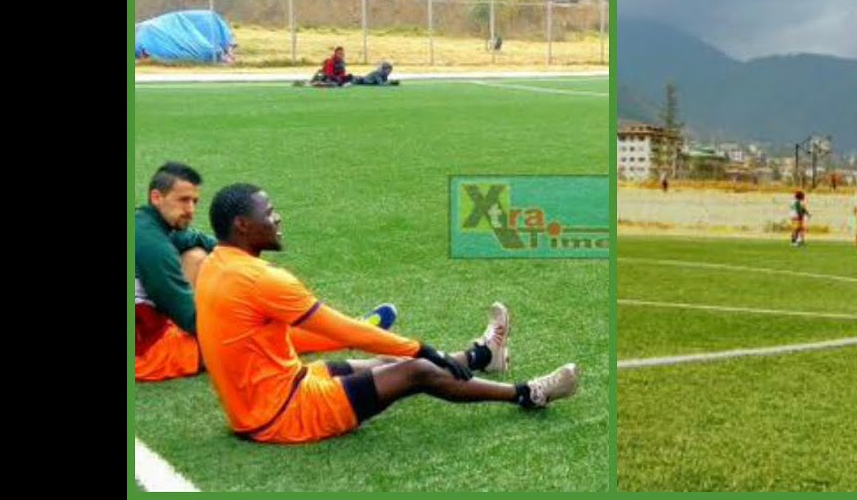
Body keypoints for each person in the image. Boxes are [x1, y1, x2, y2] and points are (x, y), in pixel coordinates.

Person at [195, 182, 580, 444]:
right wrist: (419, 347)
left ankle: (483, 356)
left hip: (270, 394)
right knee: (416, 370)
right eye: (270, 212)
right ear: (243, 225)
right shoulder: (261, 279)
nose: (278, 218)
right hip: (282, 414)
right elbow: (346, 330)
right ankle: (529, 394)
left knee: (384, 360)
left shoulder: (216, 264)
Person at [134, 162, 397, 383]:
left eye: (194, 201)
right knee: (252, 336)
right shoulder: (153, 247)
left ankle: (350, 331)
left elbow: (194, 239)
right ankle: (352, 334)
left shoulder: (146, 224)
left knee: (198, 256)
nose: (190, 209)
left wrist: (237, 259)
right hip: (145, 355)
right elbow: (196, 324)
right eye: (183, 200)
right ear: (156, 198)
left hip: (152, 328)